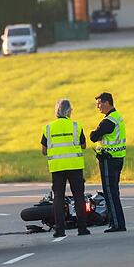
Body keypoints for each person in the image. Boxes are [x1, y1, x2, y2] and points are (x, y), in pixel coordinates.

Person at [41, 99, 90, 237]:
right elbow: (84, 145)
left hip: (57, 167)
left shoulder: (48, 128)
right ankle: (82, 229)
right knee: (79, 196)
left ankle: (60, 230)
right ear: (68, 111)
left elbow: (44, 150)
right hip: (75, 166)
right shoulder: (76, 126)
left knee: (58, 198)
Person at [90, 92, 127, 233]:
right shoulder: (117, 117)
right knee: (114, 192)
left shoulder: (109, 120)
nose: (97, 107)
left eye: (99, 103)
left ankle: (117, 224)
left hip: (108, 160)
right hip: (117, 158)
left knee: (110, 193)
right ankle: (114, 222)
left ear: (106, 103)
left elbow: (94, 136)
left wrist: (94, 134)